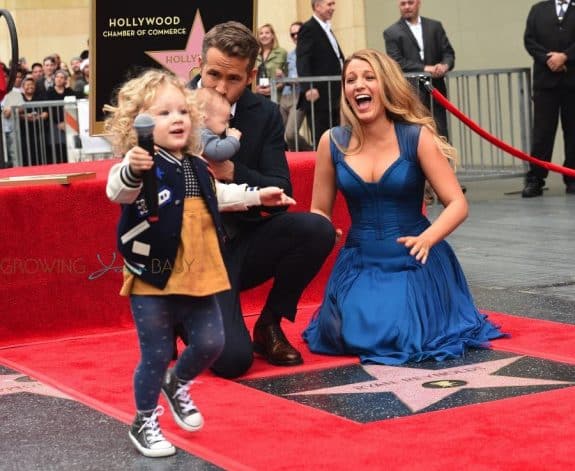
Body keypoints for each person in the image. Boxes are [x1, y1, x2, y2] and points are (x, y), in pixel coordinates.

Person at [104, 69, 296, 457]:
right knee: (156, 354)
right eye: (162, 113)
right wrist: (132, 167)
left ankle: (177, 383)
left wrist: (258, 197)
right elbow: (119, 191)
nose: (176, 119)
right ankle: (144, 420)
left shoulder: (193, 164)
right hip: (153, 275)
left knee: (212, 342)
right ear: (136, 124)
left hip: (201, 271)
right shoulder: (138, 166)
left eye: (182, 111)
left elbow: (217, 195)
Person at [302, 49, 506, 365]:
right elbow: (319, 210)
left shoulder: (416, 136)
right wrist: (321, 230)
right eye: (350, 79)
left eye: (369, 77)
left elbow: (457, 204)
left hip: (415, 258)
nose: (359, 85)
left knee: (400, 333)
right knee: (343, 332)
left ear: (387, 85)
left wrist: (428, 238)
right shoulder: (333, 141)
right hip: (360, 262)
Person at [186, 21, 336, 378]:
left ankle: (268, 324)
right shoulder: (175, 107)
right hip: (192, 257)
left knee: (317, 229)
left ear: (251, 75)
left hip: (244, 244)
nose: (221, 87)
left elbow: (281, 189)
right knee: (233, 363)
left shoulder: (265, 114)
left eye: (233, 78)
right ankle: (185, 319)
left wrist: (232, 172)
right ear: (200, 65)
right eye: (212, 75)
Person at [522, 0, 575, 197]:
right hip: (546, 83)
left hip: (572, 82)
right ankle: (536, 178)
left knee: (573, 132)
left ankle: (572, 178)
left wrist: (565, 57)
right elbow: (529, 40)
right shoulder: (538, 10)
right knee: (542, 134)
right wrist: (548, 59)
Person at [383, 0, 455, 142]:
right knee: (414, 137)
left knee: (440, 134)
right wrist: (426, 69)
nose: (407, 7)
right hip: (409, 94)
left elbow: (448, 53)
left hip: (436, 91)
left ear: (418, 3)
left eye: (410, 3)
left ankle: (443, 163)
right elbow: (396, 61)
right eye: (403, 4)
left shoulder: (435, 26)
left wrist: (444, 66)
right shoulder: (391, 32)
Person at [296, 0, 344, 147]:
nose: (333, 8)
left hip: (334, 95)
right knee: (323, 140)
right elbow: (303, 59)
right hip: (319, 97)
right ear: (317, 6)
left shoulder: (327, 29)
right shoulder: (308, 28)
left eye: (333, 4)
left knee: (337, 138)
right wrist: (308, 87)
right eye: (329, 4)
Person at [280, 21, 313, 151]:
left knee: (290, 134)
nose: (295, 36)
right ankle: (296, 163)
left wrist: (291, 79)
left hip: (300, 95)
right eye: (292, 34)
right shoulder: (290, 54)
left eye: (298, 33)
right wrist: (282, 77)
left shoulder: (310, 53)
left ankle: (312, 151)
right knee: (280, 135)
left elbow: (306, 76)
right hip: (285, 95)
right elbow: (289, 76)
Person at [194, 87, 242, 162]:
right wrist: (233, 139)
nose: (227, 125)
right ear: (203, 118)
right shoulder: (202, 134)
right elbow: (218, 152)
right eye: (224, 122)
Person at [254, 23, 287, 99]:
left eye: (267, 33)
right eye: (261, 33)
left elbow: (287, 77)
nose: (264, 35)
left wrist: (273, 88)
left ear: (273, 36)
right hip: (258, 95)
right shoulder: (254, 54)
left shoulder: (282, 53)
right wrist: (255, 88)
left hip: (276, 96)